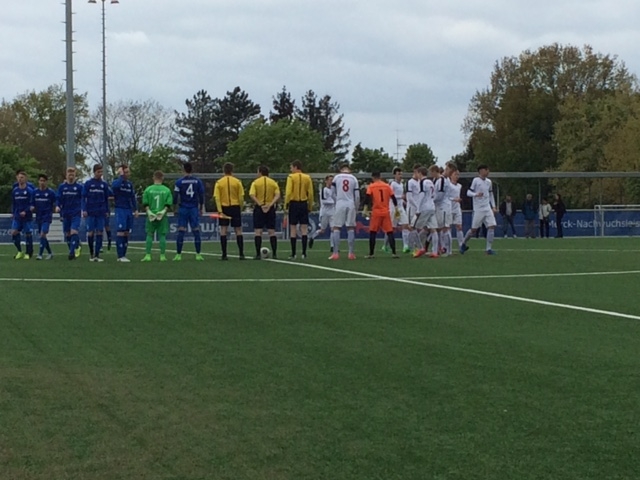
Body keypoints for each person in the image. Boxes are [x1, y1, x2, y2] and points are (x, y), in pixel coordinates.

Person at [459, 164, 497, 255]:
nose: (488, 172)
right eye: (486, 170)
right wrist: (476, 194)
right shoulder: (476, 180)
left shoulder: (489, 182)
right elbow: (468, 192)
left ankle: (488, 249)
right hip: (478, 209)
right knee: (474, 230)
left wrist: (493, 206)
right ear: (481, 171)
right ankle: (463, 243)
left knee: (492, 226)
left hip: (487, 207)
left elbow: (490, 194)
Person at [173, 162, 205, 261]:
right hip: (193, 208)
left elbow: (175, 196)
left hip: (183, 208)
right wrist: (201, 207)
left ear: (183, 170)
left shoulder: (179, 182)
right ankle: (198, 254)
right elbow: (201, 195)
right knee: (196, 230)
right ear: (192, 169)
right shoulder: (198, 181)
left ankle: (178, 255)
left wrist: (174, 208)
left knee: (181, 230)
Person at [213, 162, 245, 260]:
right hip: (235, 206)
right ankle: (241, 254)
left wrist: (219, 210)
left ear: (223, 170)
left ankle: (224, 254)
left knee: (223, 229)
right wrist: (240, 207)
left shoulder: (219, 182)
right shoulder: (237, 182)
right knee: (238, 230)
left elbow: (217, 198)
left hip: (224, 207)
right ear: (232, 170)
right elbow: (241, 197)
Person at [364, 172, 399, 259]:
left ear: (373, 177)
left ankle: (371, 253)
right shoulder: (387, 186)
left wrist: (365, 209)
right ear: (380, 177)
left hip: (376, 212)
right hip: (386, 211)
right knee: (390, 232)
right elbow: (393, 198)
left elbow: (367, 198)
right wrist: (396, 209)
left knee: (373, 232)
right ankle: (394, 253)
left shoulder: (371, 186)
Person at [249, 165, 280, 260]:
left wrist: (260, 204)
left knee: (258, 231)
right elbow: (277, 195)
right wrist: (270, 204)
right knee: (272, 231)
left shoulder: (255, 182)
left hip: (259, 208)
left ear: (260, 172)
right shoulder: (273, 183)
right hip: (270, 208)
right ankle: (274, 254)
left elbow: (252, 194)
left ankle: (258, 254)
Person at [141, 171, 173, 262]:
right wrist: (163, 212)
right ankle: (162, 256)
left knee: (149, 234)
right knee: (162, 235)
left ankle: (148, 255)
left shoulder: (148, 189)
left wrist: (149, 212)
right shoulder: (166, 190)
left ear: (153, 178)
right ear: (162, 178)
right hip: (162, 216)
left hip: (151, 215)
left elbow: (145, 202)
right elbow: (168, 203)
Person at [284, 160, 314, 260]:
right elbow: (310, 193)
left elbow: (288, 192)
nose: (291, 169)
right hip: (303, 204)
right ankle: (304, 253)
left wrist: (286, 205)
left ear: (295, 167)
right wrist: (310, 205)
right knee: (304, 228)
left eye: (291, 167)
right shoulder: (307, 177)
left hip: (294, 203)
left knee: (293, 229)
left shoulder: (291, 177)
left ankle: (293, 253)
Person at [329, 164, 360, 260]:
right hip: (350, 203)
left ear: (341, 169)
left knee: (336, 227)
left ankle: (335, 253)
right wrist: (356, 207)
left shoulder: (336, 177)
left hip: (340, 203)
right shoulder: (354, 178)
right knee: (350, 227)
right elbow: (357, 196)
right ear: (349, 169)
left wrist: (337, 201)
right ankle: (351, 253)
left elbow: (332, 193)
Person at [83, 164, 111, 262]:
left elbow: (106, 199)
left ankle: (97, 255)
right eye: (98, 172)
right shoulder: (88, 183)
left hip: (101, 212)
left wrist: (107, 210)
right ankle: (91, 253)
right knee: (90, 232)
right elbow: (83, 198)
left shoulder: (104, 185)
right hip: (91, 212)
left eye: (101, 172)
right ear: (94, 172)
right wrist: (84, 209)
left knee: (100, 232)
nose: (100, 174)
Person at [111, 164, 138, 262]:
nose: (128, 174)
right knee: (120, 231)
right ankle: (120, 255)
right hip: (120, 209)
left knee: (126, 232)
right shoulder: (117, 182)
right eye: (125, 172)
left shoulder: (129, 184)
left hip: (128, 210)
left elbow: (132, 197)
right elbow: (115, 187)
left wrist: (135, 209)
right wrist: (121, 176)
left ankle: (124, 255)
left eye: (128, 172)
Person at [56, 167, 84, 260]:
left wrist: (83, 209)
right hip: (66, 213)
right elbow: (58, 199)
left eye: (72, 174)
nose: (71, 175)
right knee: (67, 234)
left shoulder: (79, 187)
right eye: (69, 173)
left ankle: (71, 253)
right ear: (66, 175)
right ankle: (76, 246)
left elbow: (83, 199)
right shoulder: (62, 187)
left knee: (74, 231)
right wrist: (57, 206)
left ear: (75, 175)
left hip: (76, 213)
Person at [412, 166, 439, 258]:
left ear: (420, 173)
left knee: (413, 227)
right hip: (432, 207)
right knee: (433, 229)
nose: (416, 175)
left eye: (417, 173)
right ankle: (435, 252)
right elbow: (434, 194)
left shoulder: (422, 182)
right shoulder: (430, 182)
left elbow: (421, 195)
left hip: (424, 208)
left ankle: (420, 248)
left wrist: (418, 209)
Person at [382, 167, 410, 253]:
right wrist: (400, 197)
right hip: (393, 208)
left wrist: (404, 202)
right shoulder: (392, 184)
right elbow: (390, 196)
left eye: (401, 174)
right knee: (391, 228)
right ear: (394, 175)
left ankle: (405, 246)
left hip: (400, 208)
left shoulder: (402, 184)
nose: (400, 176)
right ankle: (385, 245)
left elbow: (401, 197)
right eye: (398, 174)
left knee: (405, 225)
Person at [11, 170, 35, 260]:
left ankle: (29, 252)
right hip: (17, 216)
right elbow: (14, 203)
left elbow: (32, 204)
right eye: (19, 177)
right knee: (14, 232)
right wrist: (13, 212)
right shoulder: (15, 191)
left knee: (28, 234)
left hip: (27, 216)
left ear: (25, 179)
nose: (20, 179)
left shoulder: (29, 191)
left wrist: (26, 211)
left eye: (22, 177)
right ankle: (19, 251)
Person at [33, 174, 56, 260]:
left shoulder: (50, 192)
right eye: (40, 181)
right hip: (39, 216)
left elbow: (56, 202)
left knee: (43, 233)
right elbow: (32, 203)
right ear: (38, 182)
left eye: (44, 181)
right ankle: (50, 252)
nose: (42, 182)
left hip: (47, 216)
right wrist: (32, 207)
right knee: (42, 236)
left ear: (46, 182)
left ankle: (40, 254)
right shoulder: (35, 192)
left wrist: (56, 207)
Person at [310, 175, 335, 252]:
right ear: (326, 181)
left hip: (332, 212)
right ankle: (312, 237)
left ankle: (332, 246)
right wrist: (333, 202)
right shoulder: (324, 190)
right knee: (322, 230)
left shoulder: (333, 190)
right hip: (325, 212)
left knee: (333, 229)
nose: (331, 181)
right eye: (330, 180)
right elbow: (324, 201)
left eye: (332, 180)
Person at [405, 164, 423, 253]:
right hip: (411, 208)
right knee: (412, 227)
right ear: (415, 172)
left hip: (419, 208)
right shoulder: (410, 182)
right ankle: (417, 247)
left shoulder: (420, 182)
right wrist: (417, 206)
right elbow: (409, 197)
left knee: (415, 228)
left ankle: (412, 246)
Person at [449, 167, 465, 251]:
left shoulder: (459, 186)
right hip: (449, 208)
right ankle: (448, 247)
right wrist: (454, 199)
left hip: (457, 208)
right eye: (455, 174)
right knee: (448, 228)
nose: (457, 176)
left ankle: (461, 245)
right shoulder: (448, 185)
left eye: (458, 175)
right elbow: (446, 197)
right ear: (451, 175)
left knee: (459, 226)